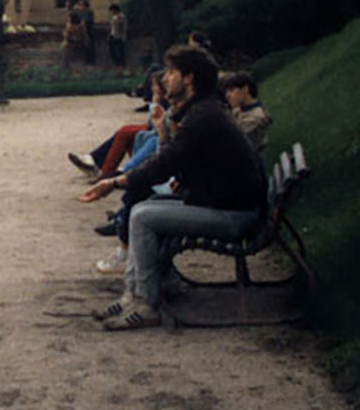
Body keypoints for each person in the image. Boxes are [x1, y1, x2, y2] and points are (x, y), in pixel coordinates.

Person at [79, 44, 267, 330]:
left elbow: (163, 166)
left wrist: (113, 182)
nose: (165, 78)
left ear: (189, 78)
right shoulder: (204, 111)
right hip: (228, 204)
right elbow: (182, 162)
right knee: (144, 207)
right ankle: (133, 294)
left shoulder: (203, 116)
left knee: (143, 216)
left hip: (235, 216)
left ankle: (145, 304)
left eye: (171, 72)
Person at [221, 71, 273, 152]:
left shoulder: (255, 117)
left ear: (245, 89)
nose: (227, 95)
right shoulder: (239, 109)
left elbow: (231, 141)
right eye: (226, 92)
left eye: (232, 90)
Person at [108, 4, 128, 70]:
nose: (111, 12)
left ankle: (122, 64)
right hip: (112, 35)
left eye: (112, 10)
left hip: (119, 36)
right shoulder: (113, 17)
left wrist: (123, 36)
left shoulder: (121, 16)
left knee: (120, 51)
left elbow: (124, 27)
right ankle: (117, 63)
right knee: (112, 50)